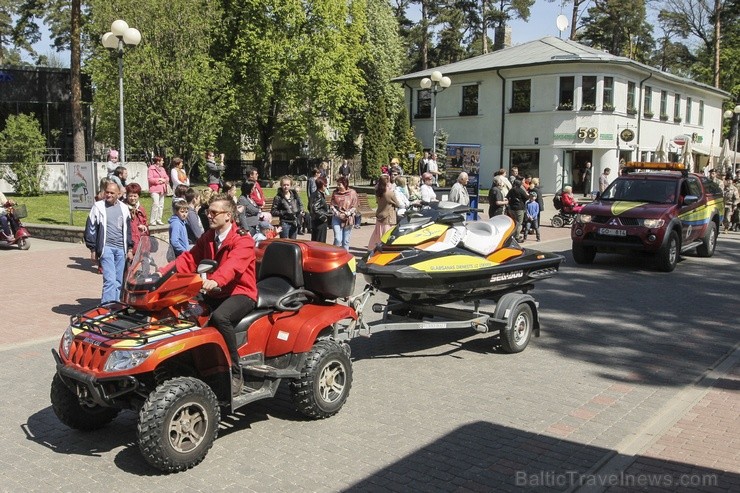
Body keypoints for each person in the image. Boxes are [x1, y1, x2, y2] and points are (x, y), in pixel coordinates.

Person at [174, 195, 257, 396]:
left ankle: (235, 373)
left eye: (214, 213)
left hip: (241, 292)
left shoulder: (243, 240)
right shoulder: (209, 237)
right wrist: (162, 274)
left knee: (221, 318)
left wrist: (216, 280)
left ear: (228, 216)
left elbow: (233, 266)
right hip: (215, 292)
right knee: (184, 311)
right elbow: (189, 259)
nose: (208, 216)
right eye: (207, 212)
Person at [85, 182, 133, 303]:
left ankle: (115, 307)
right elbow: (90, 228)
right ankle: (106, 308)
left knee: (118, 281)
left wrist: (129, 249)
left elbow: (128, 230)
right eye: (107, 192)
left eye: (112, 193)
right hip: (106, 248)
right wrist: (93, 249)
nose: (109, 195)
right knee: (110, 280)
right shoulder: (98, 207)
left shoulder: (124, 208)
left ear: (119, 194)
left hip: (121, 249)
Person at [367, 174, 399, 250]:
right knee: (386, 235)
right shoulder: (389, 193)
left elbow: (377, 202)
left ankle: (372, 248)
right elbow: (398, 204)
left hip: (380, 215)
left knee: (377, 235)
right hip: (388, 217)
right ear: (388, 182)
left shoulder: (378, 191)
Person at [330, 176, 358, 250]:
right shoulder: (335, 193)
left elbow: (355, 206)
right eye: (337, 184)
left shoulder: (352, 193)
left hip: (348, 219)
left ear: (345, 184)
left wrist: (347, 213)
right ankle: (334, 253)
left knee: (345, 241)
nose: (338, 186)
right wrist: (338, 214)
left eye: (340, 184)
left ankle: (345, 258)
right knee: (338, 239)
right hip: (337, 218)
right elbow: (332, 205)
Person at [124, 183, 149, 253]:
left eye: (135, 196)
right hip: (129, 246)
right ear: (127, 196)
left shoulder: (141, 209)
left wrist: (144, 227)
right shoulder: (123, 209)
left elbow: (145, 224)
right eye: (130, 196)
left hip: (140, 244)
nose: (132, 198)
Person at [147, 156, 169, 226]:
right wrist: (158, 180)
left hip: (162, 189)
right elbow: (150, 179)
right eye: (162, 161)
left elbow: (167, 178)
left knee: (161, 205)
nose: (163, 162)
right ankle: (152, 220)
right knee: (155, 204)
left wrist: (164, 180)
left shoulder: (162, 169)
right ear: (158, 161)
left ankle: (159, 219)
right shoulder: (151, 168)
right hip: (154, 189)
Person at [309, 177, 331, 242]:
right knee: (320, 242)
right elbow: (315, 209)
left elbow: (310, 207)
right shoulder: (318, 195)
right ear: (322, 185)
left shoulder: (315, 194)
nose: (326, 187)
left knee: (315, 241)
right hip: (319, 222)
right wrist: (324, 218)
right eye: (325, 185)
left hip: (316, 221)